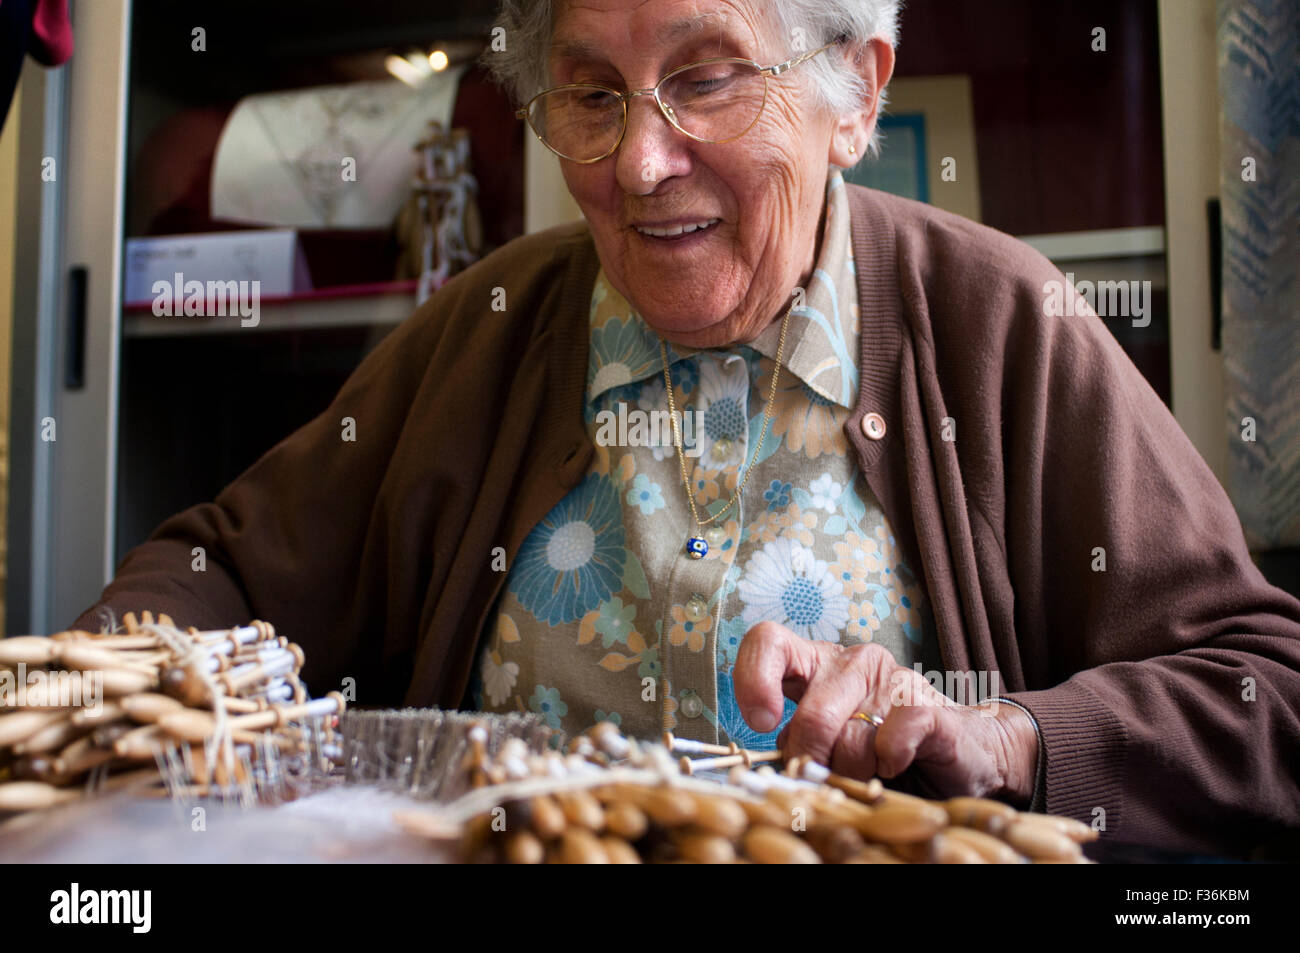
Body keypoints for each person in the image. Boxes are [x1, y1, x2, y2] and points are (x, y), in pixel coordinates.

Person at [75, 0, 1300, 857]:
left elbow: (1262, 694)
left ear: (857, 93)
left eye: (706, 76)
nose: (639, 161)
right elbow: (214, 570)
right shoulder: (492, 326)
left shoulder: (1002, 324)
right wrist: (94, 699)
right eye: (591, 94)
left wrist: (1002, 735)